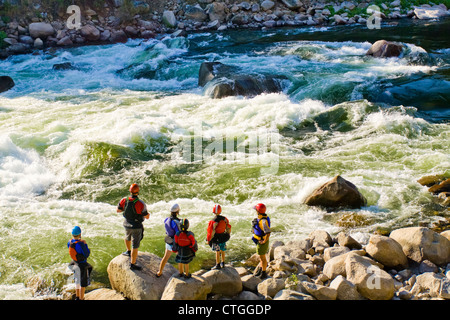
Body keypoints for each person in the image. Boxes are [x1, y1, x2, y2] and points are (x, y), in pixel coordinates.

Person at [117, 183, 149, 271]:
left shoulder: (124, 200)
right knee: (135, 245)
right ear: (138, 192)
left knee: (127, 237)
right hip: (136, 226)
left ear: (130, 191)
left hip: (127, 224)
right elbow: (146, 216)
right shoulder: (140, 203)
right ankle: (133, 264)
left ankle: (128, 251)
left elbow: (118, 210)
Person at [67, 226, 93, 300]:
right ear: (80, 234)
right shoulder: (81, 244)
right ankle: (82, 298)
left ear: (72, 234)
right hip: (82, 265)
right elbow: (86, 254)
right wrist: (85, 244)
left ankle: (77, 297)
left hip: (74, 263)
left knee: (77, 280)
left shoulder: (70, 242)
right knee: (83, 283)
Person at [156, 203, 181, 277]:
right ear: (177, 212)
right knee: (180, 258)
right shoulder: (177, 222)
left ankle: (159, 272)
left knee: (165, 257)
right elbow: (177, 233)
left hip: (169, 241)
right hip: (175, 243)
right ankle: (181, 273)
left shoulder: (167, 219)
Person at [206, 204, 231, 270]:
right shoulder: (225, 219)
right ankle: (223, 262)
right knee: (223, 250)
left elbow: (211, 231)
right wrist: (228, 234)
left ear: (214, 211)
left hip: (216, 238)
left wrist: (208, 240)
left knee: (217, 251)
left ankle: (218, 264)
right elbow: (228, 227)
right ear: (220, 211)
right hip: (223, 237)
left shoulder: (213, 221)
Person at [251, 203, 271, 279]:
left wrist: (264, 241)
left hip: (262, 241)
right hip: (260, 240)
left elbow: (268, 233)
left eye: (256, 210)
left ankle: (263, 273)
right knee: (261, 257)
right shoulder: (262, 218)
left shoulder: (263, 221)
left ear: (258, 211)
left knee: (263, 258)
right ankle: (260, 270)